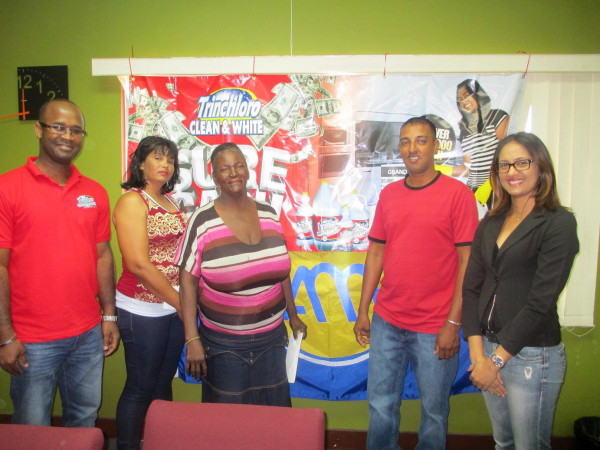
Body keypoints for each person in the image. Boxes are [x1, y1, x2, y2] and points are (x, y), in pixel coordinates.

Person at [354, 117, 478, 449]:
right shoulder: (390, 195)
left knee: (434, 412)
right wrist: (364, 310)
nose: (412, 148)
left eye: (421, 140)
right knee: (381, 405)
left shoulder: (458, 195)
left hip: (436, 327)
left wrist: (454, 323)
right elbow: (376, 253)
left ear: (436, 147)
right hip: (388, 322)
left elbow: (468, 262)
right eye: (406, 141)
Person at [0, 99, 119, 426]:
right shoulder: (7, 188)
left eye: (76, 130)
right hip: (31, 339)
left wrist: (108, 314)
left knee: (83, 418)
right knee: (32, 427)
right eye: (58, 127)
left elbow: (103, 254)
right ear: (39, 130)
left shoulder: (94, 192)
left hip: (87, 333)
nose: (68, 136)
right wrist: (5, 335)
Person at [462, 132, 579, 449]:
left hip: (532, 356)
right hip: (486, 350)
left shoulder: (558, 224)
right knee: (503, 442)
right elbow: (471, 289)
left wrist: (496, 362)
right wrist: (479, 357)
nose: (512, 172)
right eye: (504, 166)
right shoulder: (491, 221)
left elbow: (540, 302)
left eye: (521, 163)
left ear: (541, 167)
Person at [176, 142, 307, 406]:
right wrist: (192, 338)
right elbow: (187, 281)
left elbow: (281, 271)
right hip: (224, 346)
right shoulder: (201, 221)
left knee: (272, 419)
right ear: (214, 178)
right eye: (225, 169)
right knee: (229, 424)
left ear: (248, 171)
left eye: (239, 166)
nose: (233, 173)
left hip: (271, 339)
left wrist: (293, 316)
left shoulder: (269, 214)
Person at [113, 136, 187, 449]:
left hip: (172, 307)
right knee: (140, 387)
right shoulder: (133, 201)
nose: (165, 165)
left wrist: (182, 302)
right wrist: (181, 302)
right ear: (141, 163)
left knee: (161, 384)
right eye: (158, 158)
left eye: (170, 159)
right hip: (141, 308)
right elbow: (138, 264)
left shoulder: (171, 201)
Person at [455, 79, 509, 193]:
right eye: (460, 100)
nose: (464, 102)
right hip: (473, 191)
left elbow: (505, 156)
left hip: (496, 188)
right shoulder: (464, 129)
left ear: (478, 95)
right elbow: (469, 168)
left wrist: (489, 185)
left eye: (466, 95)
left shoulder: (497, 117)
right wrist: (441, 170)